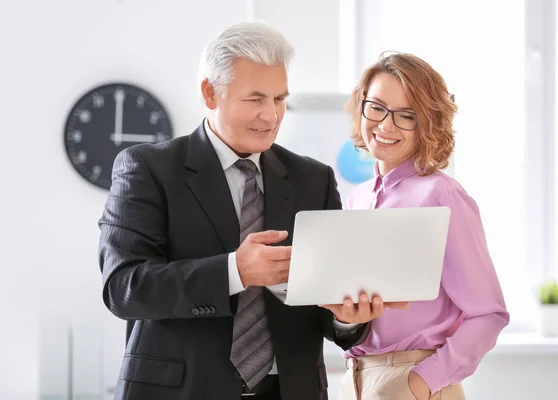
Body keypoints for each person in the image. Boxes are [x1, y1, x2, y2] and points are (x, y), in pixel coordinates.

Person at [97, 22, 404, 400]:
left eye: (279, 99)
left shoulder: (313, 178)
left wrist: (346, 318)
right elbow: (123, 288)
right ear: (211, 93)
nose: (271, 116)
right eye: (255, 99)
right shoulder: (147, 168)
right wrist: (235, 271)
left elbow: (326, 301)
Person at [338, 52, 510, 400]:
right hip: (355, 380)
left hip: (412, 381)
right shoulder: (356, 198)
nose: (386, 126)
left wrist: (420, 382)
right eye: (377, 107)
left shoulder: (441, 194)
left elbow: (488, 314)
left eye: (406, 116)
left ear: (427, 123)